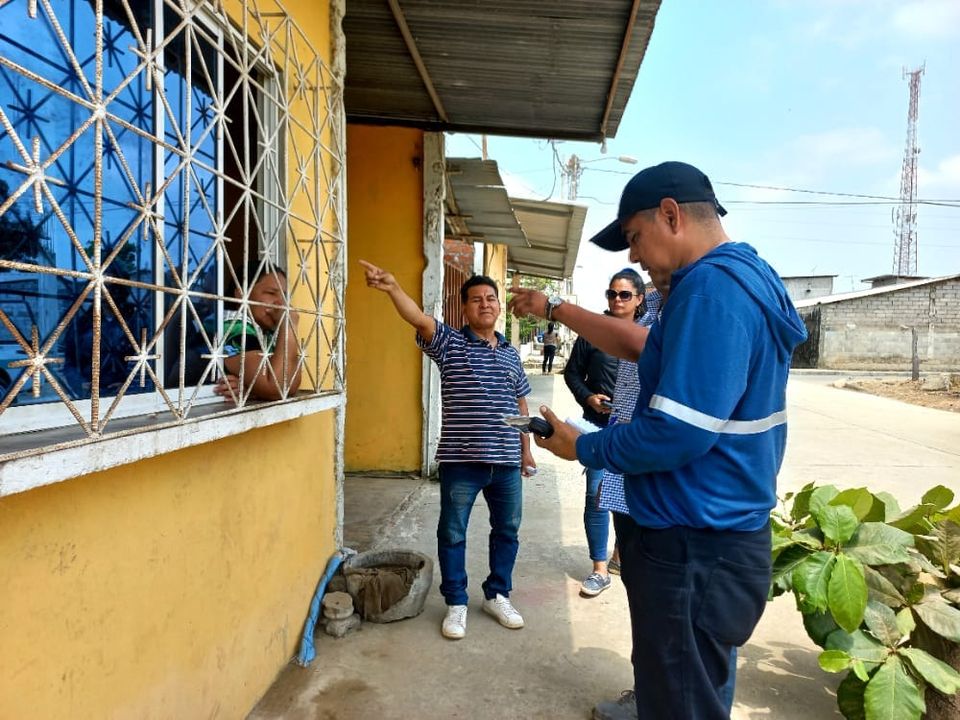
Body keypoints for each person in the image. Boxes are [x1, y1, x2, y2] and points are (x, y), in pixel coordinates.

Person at [509, 161, 806, 719]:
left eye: (634, 237)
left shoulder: (712, 292)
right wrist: (556, 309)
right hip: (711, 532)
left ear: (671, 215)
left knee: (683, 694)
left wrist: (584, 446)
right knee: (688, 682)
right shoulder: (738, 278)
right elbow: (642, 346)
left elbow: (676, 433)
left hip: (694, 541)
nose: (634, 256)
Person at [359, 259, 537, 641]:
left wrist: (526, 450)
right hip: (461, 461)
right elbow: (419, 319)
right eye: (476, 299)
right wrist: (393, 288)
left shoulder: (510, 354)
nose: (485, 304)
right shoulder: (450, 344)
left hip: (506, 461)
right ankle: (456, 601)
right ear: (464, 307)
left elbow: (520, 404)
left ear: (498, 306)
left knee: (507, 531)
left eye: (491, 298)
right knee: (453, 533)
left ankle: (497, 595)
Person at [563, 270, 644, 597]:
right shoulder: (593, 333)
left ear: (639, 299)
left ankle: (619, 558)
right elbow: (572, 373)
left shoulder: (650, 335)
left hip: (637, 432)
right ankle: (599, 568)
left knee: (630, 498)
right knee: (596, 497)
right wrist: (588, 397)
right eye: (612, 294)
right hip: (598, 427)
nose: (617, 300)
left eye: (625, 294)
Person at [214, 264, 301, 401]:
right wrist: (289, 324)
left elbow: (291, 384)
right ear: (241, 295)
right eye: (271, 293)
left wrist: (251, 389)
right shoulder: (233, 326)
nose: (281, 303)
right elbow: (279, 387)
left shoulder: (267, 331)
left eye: (284, 296)